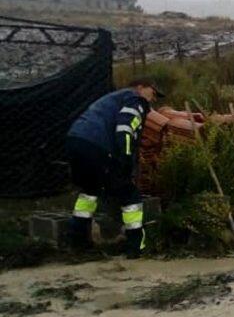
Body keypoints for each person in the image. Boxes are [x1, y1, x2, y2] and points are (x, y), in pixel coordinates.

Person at [64, 78, 163, 258]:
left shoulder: (113, 98)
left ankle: (77, 242)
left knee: (89, 191)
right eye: (153, 93)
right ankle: (135, 247)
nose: (153, 99)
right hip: (98, 146)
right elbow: (125, 129)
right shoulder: (135, 100)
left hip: (75, 140)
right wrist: (125, 160)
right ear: (141, 87)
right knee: (130, 194)